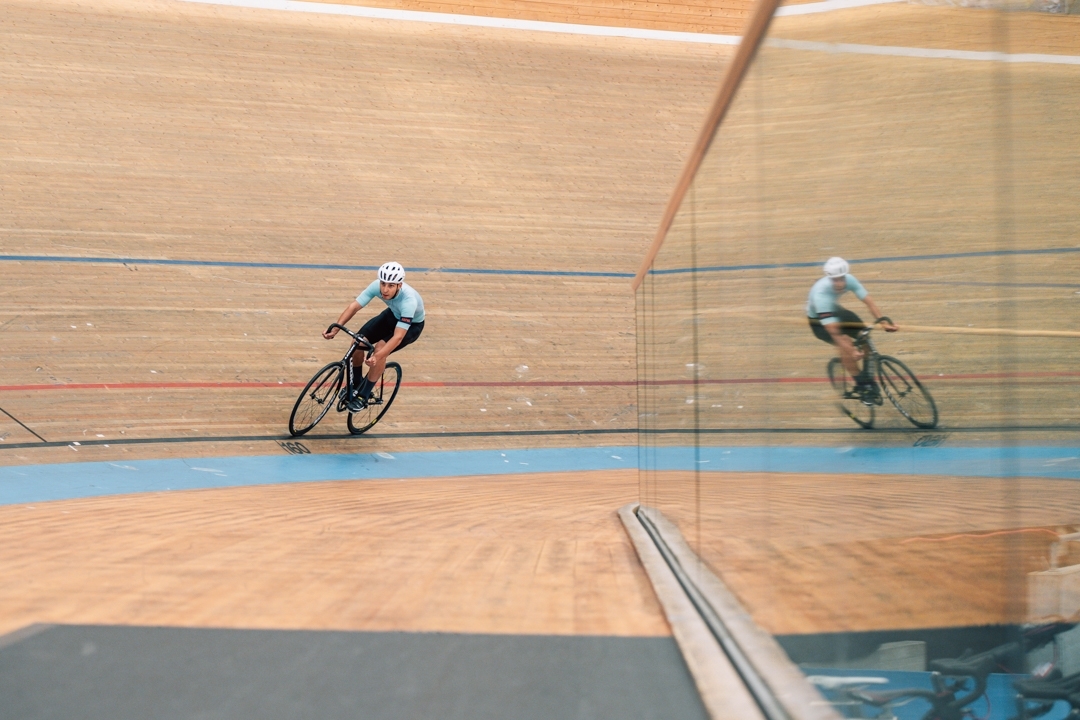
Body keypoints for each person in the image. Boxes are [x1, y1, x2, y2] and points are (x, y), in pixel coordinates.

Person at [324, 262, 425, 412]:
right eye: (383, 284)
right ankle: (356, 383)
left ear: (399, 285)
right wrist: (336, 328)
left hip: (412, 326)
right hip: (392, 315)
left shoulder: (409, 301)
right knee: (357, 342)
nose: (385, 289)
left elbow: (397, 337)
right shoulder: (375, 286)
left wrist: (377, 357)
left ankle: (363, 396)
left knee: (380, 349)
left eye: (391, 285)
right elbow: (354, 306)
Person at [807, 257, 897, 401]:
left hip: (836, 311)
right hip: (818, 321)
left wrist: (883, 322)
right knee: (845, 342)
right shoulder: (820, 294)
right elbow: (834, 333)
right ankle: (861, 385)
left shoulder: (850, 280)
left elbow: (869, 301)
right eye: (835, 280)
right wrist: (851, 351)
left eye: (841, 279)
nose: (839, 283)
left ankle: (867, 376)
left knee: (864, 336)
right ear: (829, 278)